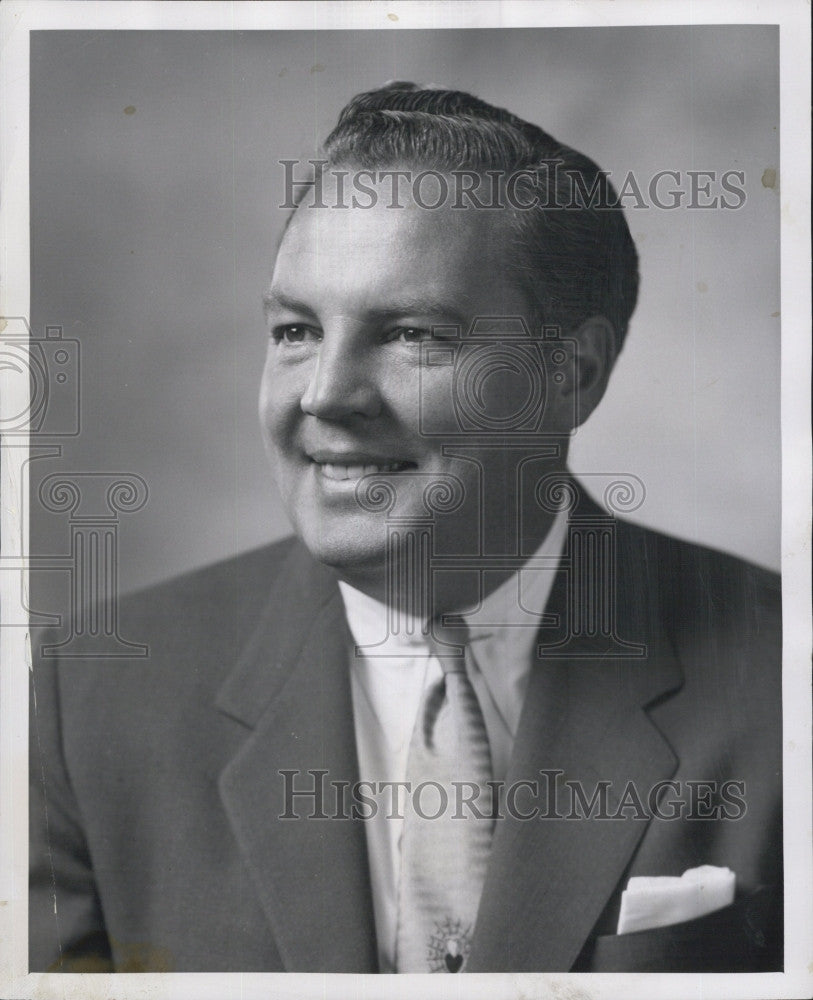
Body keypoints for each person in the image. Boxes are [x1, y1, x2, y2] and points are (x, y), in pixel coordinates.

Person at [29, 82, 781, 974]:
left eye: (412, 334)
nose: (325, 394)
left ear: (573, 373)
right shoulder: (92, 694)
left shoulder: (781, 682)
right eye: (296, 330)